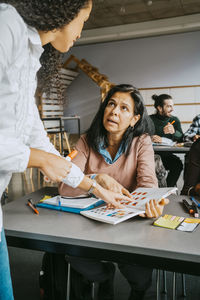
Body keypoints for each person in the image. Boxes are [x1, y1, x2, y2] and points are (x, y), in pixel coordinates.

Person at [0, 2, 133, 299]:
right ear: (63, 9)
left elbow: (41, 144)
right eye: (83, 20)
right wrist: (39, 159)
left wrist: (95, 187)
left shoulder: (29, 56)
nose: (81, 32)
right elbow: (42, 155)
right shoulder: (6, 24)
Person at [59, 84, 169, 300]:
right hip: (90, 221)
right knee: (74, 254)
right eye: (111, 104)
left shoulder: (141, 141)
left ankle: (138, 290)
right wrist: (97, 179)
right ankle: (104, 277)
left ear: (135, 119)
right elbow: (65, 186)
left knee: (137, 267)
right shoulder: (85, 140)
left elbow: (148, 185)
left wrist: (145, 205)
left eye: (124, 108)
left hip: (129, 219)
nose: (114, 112)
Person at [150, 94, 183, 187]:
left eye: (172, 106)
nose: (172, 109)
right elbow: (140, 137)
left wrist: (174, 132)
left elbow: (182, 139)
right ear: (159, 108)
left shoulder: (174, 120)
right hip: (151, 156)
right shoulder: (149, 120)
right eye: (169, 106)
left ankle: (168, 188)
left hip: (167, 156)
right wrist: (150, 137)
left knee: (178, 164)